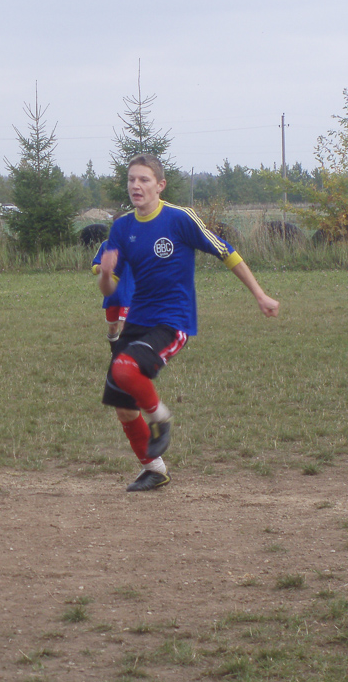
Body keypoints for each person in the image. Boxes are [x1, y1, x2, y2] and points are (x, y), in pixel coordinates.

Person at [98, 154, 279, 492]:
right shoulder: (122, 228)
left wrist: (259, 294)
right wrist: (106, 274)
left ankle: (160, 417)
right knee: (123, 407)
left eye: (144, 179)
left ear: (160, 185)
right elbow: (110, 290)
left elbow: (226, 252)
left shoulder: (179, 218)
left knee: (124, 369)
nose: (136, 185)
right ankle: (154, 470)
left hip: (173, 319)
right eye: (131, 179)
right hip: (137, 319)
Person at [91, 237, 134, 342]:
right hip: (112, 295)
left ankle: (124, 350)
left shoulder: (135, 243)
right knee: (112, 327)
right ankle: (114, 348)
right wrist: (102, 267)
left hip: (129, 293)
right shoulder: (106, 245)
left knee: (125, 326)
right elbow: (94, 268)